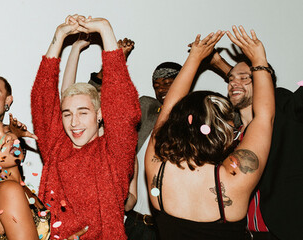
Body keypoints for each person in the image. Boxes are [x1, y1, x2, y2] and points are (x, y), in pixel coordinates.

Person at [144, 27, 275, 239]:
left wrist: (194, 58)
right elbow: (264, 117)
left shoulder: (157, 165)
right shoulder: (233, 180)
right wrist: (259, 58)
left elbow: (168, 109)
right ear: (223, 130)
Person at [32, 15, 140, 239]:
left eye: (83, 113)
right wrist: (60, 36)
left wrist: (104, 29)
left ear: (100, 114)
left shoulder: (113, 155)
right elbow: (42, 98)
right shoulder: (56, 148)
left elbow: (123, 108)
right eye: (67, 114)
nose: (74, 123)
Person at [207, 35, 303, 240]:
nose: (233, 83)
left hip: (284, 231)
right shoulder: (231, 136)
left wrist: (255, 64)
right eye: (230, 79)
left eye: (244, 78)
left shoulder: (284, 111)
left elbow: (262, 95)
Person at [126, 62, 182, 240]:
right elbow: (107, 105)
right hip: (136, 224)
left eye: (167, 82)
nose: (161, 89)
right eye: (156, 86)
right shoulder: (148, 110)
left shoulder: (194, 120)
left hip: (171, 228)